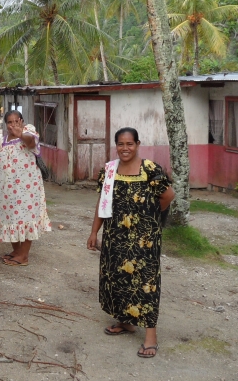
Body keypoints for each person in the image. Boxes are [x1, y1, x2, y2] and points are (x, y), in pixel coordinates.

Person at [87, 127, 175, 359]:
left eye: (130, 144)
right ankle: (126, 322)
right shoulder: (108, 171)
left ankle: (151, 337)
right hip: (115, 236)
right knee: (118, 278)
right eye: (121, 144)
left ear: (137, 144)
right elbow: (102, 202)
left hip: (144, 240)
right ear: (116, 145)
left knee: (146, 283)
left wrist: (149, 218)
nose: (125, 148)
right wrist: (94, 231)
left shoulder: (150, 170)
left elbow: (167, 196)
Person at [0, 110, 51, 266]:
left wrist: (21, 133)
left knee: (27, 217)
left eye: (16, 121)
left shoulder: (29, 133)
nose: (13, 125)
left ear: (21, 121)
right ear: (5, 124)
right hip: (5, 191)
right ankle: (16, 251)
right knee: (9, 217)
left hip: (27, 188)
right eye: (10, 122)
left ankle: (24, 256)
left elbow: (31, 144)